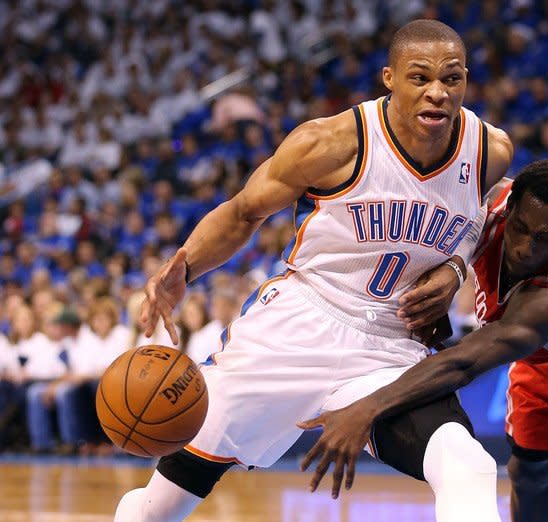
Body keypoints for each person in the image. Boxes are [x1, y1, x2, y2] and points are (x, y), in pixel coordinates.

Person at [114, 19, 513, 522]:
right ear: (389, 78)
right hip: (298, 327)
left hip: (390, 346)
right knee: (161, 507)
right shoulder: (327, 143)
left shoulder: (489, 151)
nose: (437, 92)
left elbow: (476, 213)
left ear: (466, 80)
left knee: (468, 466)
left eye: (451, 79)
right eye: (420, 77)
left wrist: (455, 268)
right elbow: (244, 212)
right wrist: (185, 267)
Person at [301, 160, 548, 522]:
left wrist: (366, 409)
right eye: (520, 228)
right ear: (511, 205)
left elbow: (463, 363)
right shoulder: (492, 200)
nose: (524, 247)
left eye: (544, 239)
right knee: (528, 467)